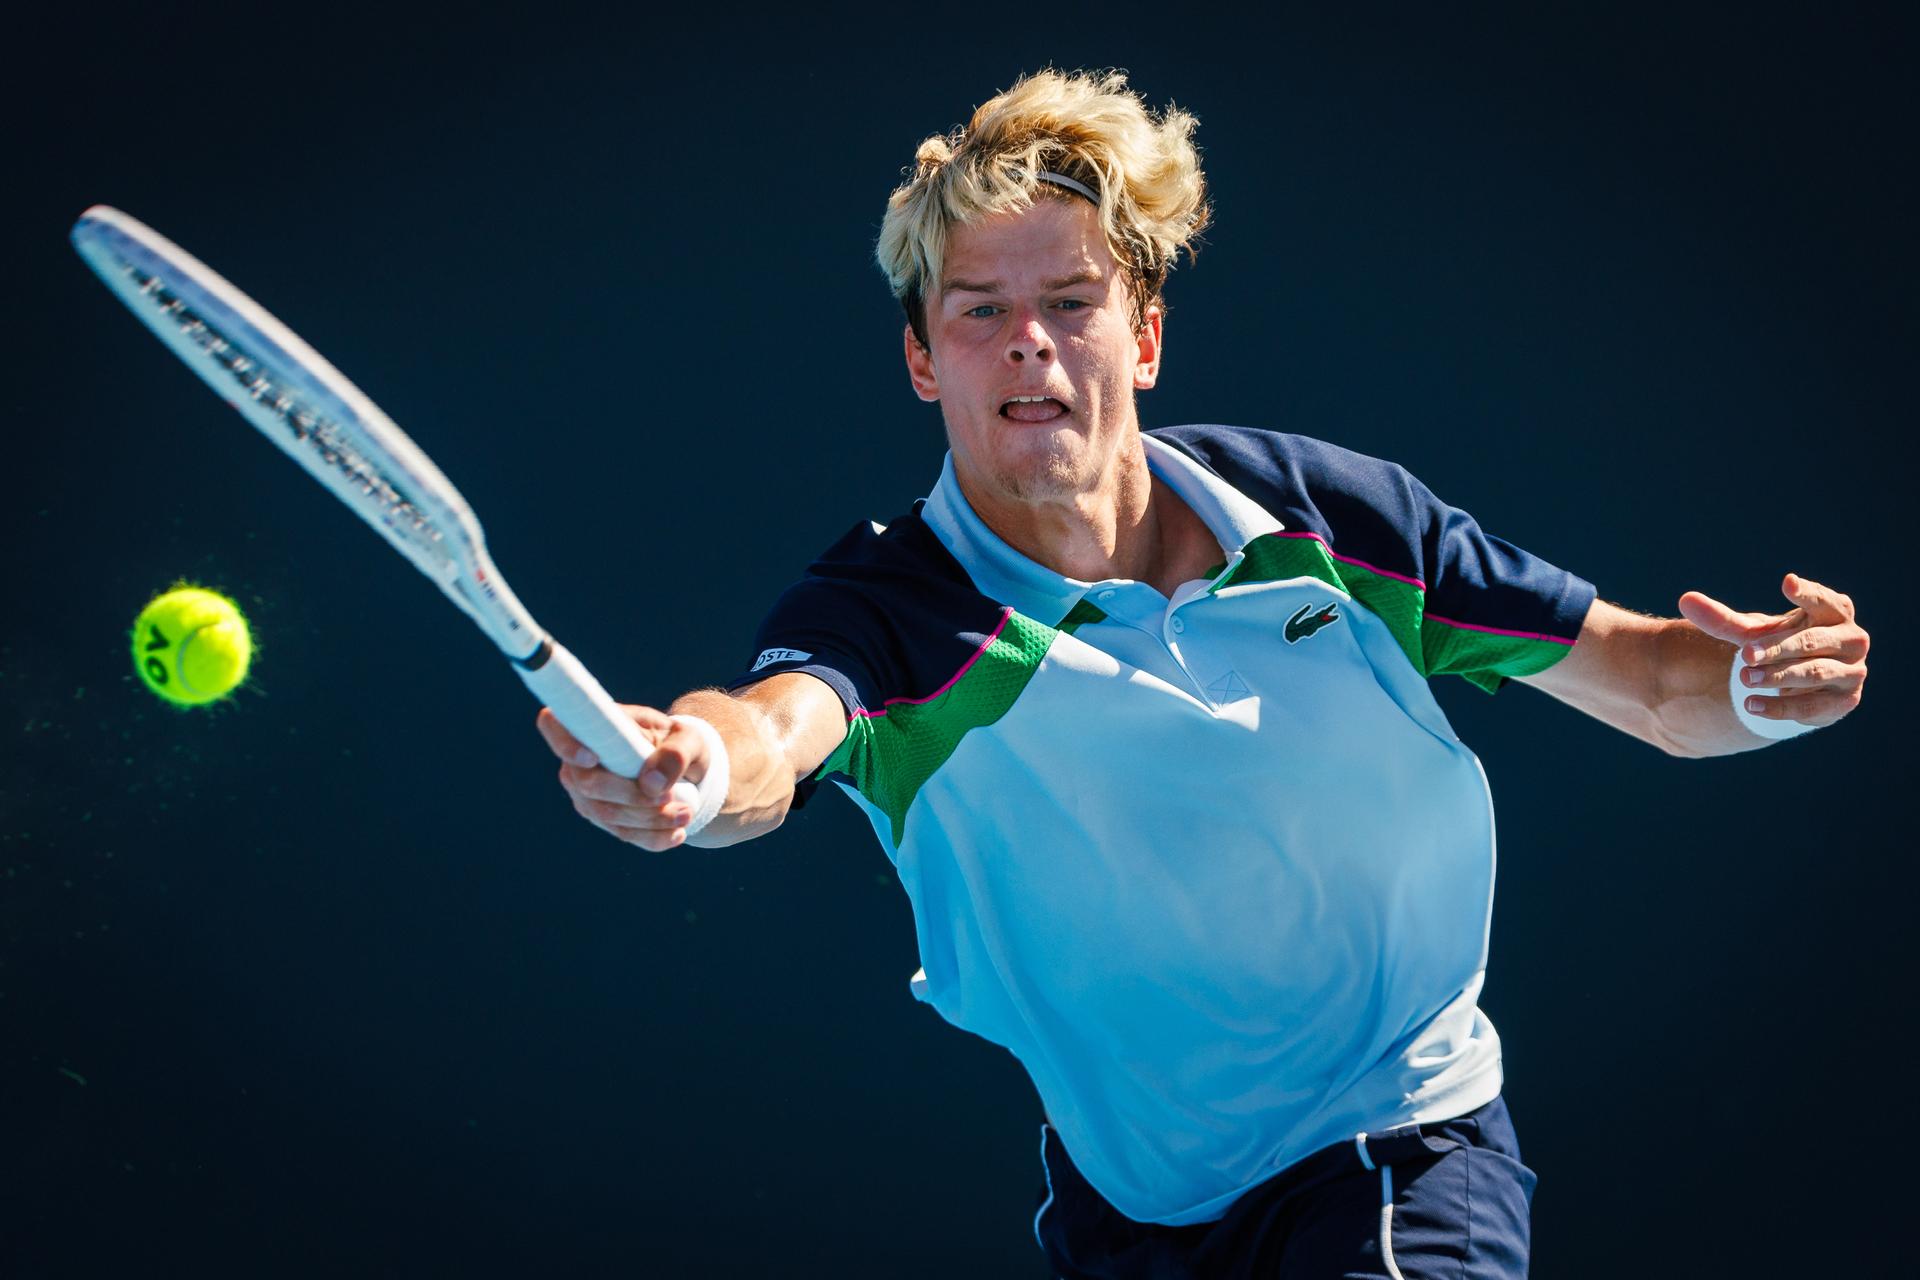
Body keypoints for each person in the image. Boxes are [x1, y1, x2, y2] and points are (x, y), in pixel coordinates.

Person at [534, 70, 1870, 1279]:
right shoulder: (890, 612)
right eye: (982, 313)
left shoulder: (1330, 520)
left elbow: (1647, 680)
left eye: (1071, 304)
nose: (1029, 345)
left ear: (1147, 338)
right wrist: (695, 770)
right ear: (922, 358)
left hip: (1397, 1149)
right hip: (1128, 1213)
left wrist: (1760, 684)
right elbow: (775, 729)